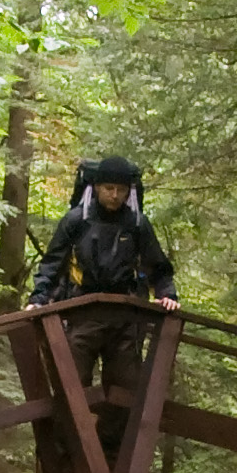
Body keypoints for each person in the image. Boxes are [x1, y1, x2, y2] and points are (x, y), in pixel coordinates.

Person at [28, 155, 178, 413]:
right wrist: (38, 299)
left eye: (121, 190)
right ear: (96, 187)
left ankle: (112, 451)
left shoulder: (137, 224)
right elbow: (52, 264)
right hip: (81, 312)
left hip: (124, 316)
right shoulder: (76, 221)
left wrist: (167, 293)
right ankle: (69, 449)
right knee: (73, 386)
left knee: (125, 391)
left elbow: (157, 266)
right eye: (109, 188)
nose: (115, 195)